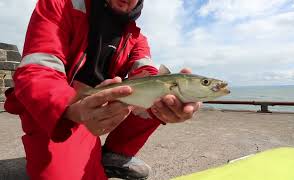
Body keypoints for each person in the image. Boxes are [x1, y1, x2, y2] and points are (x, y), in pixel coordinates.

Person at [4, 0, 201, 179]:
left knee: (159, 99)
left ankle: (113, 154)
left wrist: (175, 100)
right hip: (56, 111)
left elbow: (146, 73)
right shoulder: (58, 5)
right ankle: (79, 148)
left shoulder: (136, 37)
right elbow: (37, 70)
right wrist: (71, 109)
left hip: (97, 105)